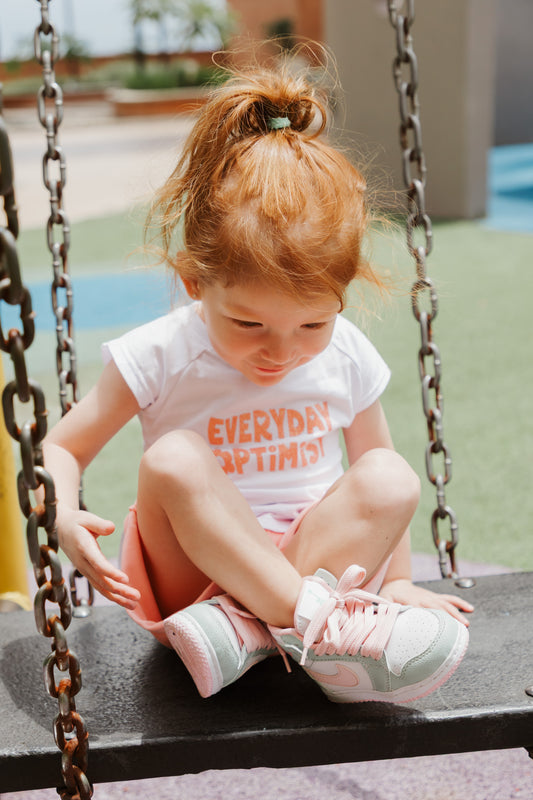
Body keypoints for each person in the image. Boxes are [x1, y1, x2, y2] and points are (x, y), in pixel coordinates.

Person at [43, 58, 473, 704]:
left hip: (314, 562)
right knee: (173, 459)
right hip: (194, 577)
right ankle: (309, 623)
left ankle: (253, 630)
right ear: (195, 282)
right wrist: (64, 516)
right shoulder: (162, 352)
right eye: (247, 323)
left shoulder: (345, 355)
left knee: (392, 477)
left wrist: (397, 584)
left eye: (311, 325)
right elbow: (60, 448)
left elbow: (372, 464)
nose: (281, 351)